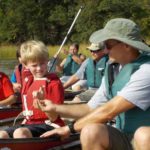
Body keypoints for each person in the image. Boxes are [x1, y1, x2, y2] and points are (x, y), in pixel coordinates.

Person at [33, 18, 150, 150]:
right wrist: (55, 108)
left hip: (145, 137)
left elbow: (109, 111)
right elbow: (90, 109)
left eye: (108, 45)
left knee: (144, 135)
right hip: (125, 136)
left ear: (127, 45)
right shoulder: (113, 69)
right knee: (90, 131)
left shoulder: (146, 69)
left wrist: (69, 128)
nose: (104, 51)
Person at [0, 40, 65, 138]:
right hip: (29, 123)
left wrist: (42, 101)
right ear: (25, 65)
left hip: (50, 124)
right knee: (2, 134)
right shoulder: (28, 81)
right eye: (34, 65)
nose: (39, 68)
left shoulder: (53, 83)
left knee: (19, 133)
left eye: (42, 63)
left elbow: (54, 117)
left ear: (47, 61)